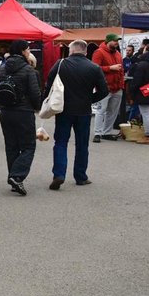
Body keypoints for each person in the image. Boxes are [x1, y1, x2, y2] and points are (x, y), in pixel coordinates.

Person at [45, 39, 108, 190]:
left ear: (71, 50)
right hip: (84, 111)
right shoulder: (94, 67)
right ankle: (81, 176)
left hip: (63, 109)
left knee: (60, 142)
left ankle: (59, 174)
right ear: (86, 52)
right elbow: (104, 91)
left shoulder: (60, 64)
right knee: (82, 144)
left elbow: (49, 84)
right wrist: (89, 100)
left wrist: (47, 101)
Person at [0, 40, 41, 195]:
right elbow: (35, 93)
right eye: (27, 49)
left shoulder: (3, 68)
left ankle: (14, 177)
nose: (28, 51)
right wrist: (38, 106)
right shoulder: (28, 70)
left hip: (6, 112)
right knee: (28, 146)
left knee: (11, 145)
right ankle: (17, 176)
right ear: (22, 51)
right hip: (24, 112)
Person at [91, 33, 124, 143]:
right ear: (108, 41)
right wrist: (110, 68)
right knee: (101, 111)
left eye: (117, 41)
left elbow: (121, 70)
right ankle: (97, 133)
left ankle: (107, 132)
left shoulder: (118, 54)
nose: (116, 43)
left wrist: (121, 85)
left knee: (113, 112)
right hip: (104, 87)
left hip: (117, 87)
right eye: (115, 41)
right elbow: (94, 68)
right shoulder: (99, 52)